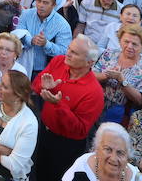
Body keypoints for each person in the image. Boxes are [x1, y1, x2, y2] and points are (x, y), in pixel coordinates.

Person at [32, 35, 105, 181]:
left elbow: (80, 130)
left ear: (89, 62)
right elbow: (36, 83)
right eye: (69, 49)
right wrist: (43, 87)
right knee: (37, 172)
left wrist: (57, 104)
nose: (68, 53)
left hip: (65, 146)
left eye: (75, 53)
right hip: (42, 131)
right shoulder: (59, 61)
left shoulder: (94, 92)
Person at [93, 25, 142, 124]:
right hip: (95, 104)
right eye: (126, 42)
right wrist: (106, 75)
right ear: (120, 41)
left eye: (135, 44)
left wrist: (123, 81)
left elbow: (141, 101)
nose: (129, 46)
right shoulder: (109, 54)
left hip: (122, 116)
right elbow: (90, 76)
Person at [61, 122, 142, 181]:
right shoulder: (82, 168)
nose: (113, 158)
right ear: (97, 150)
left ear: (127, 157)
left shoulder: (137, 178)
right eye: (108, 149)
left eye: (120, 153)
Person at [15, 0, 72, 78]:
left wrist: (46, 44)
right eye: (39, 1)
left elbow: (64, 53)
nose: (41, 5)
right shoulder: (26, 14)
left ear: (54, 5)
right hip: (21, 65)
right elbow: (16, 36)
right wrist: (31, 40)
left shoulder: (62, 25)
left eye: (45, 3)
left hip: (45, 71)